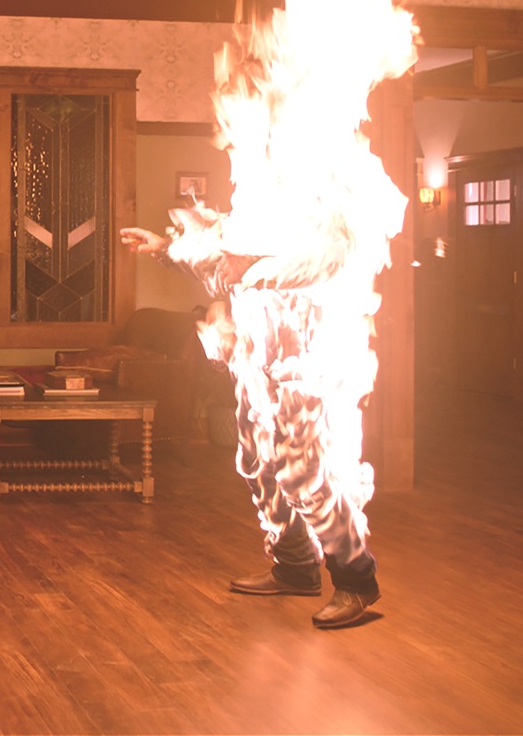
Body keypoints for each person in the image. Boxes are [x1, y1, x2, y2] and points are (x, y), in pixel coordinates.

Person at [123, 201, 386, 629]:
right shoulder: (256, 213)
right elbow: (215, 259)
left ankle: (357, 581)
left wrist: (252, 264)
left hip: (307, 369)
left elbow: (317, 264)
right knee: (258, 464)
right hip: (258, 364)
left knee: (303, 474)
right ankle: (295, 566)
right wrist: (163, 248)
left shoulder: (316, 227)